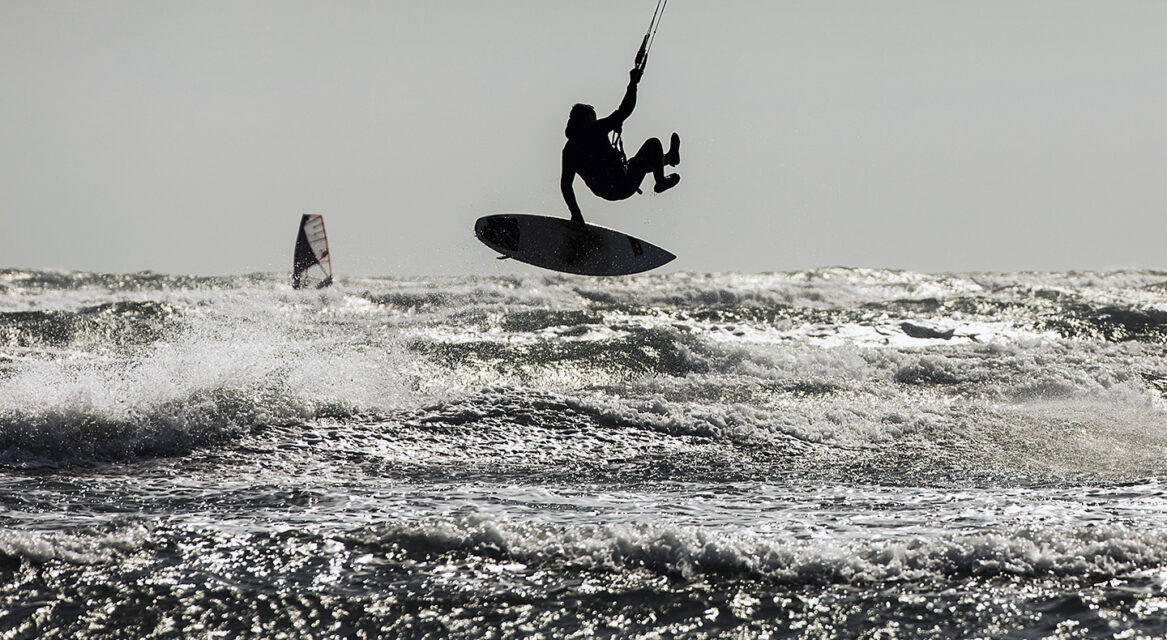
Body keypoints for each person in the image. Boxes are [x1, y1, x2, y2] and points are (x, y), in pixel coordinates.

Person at [560, 65, 680, 224]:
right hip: (623, 184)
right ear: (586, 120)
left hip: (607, 192)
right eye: (593, 118)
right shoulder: (596, 130)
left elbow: (566, 186)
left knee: (632, 163)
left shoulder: (569, 150)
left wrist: (576, 214)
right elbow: (625, 110)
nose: (595, 120)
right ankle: (660, 181)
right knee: (653, 144)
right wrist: (633, 83)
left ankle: (667, 158)